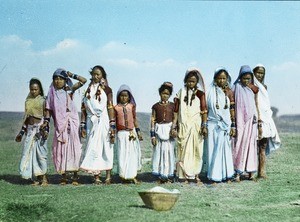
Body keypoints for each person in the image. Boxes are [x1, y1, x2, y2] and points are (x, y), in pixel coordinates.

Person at [42, 68, 87, 185]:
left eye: (61, 78)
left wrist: (71, 74)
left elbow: (84, 80)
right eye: (55, 79)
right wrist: (46, 122)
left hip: (72, 123)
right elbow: (48, 110)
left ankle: (75, 176)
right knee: (61, 150)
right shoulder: (51, 94)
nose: (58, 81)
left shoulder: (69, 90)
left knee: (74, 149)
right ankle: (64, 176)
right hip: (59, 126)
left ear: (65, 80)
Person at [80, 65, 115, 185]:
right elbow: (84, 109)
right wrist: (83, 125)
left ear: (102, 76)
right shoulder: (87, 90)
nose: (95, 76)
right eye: (93, 74)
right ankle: (96, 176)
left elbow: (110, 107)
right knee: (94, 148)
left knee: (106, 147)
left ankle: (108, 176)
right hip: (91, 122)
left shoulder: (107, 90)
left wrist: (112, 125)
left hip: (104, 121)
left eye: (98, 74)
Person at [172, 67, 208, 184]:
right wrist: (174, 125)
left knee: (196, 150)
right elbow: (176, 111)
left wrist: (204, 125)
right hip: (183, 126)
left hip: (195, 127)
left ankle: (194, 174)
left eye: (193, 81)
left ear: (197, 82)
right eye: (189, 81)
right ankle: (182, 175)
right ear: (185, 81)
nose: (191, 83)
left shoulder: (200, 94)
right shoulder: (180, 93)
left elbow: (204, 111)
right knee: (182, 151)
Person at [15, 78, 48, 186]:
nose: (33, 91)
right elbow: (27, 119)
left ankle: (43, 178)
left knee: (40, 154)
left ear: (39, 90)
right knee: (29, 154)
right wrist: (21, 133)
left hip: (40, 130)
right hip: (29, 130)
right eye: (31, 89)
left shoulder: (43, 100)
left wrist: (45, 129)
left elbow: (46, 117)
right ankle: (34, 177)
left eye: (35, 89)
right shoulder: (28, 101)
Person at [205, 67, 236, 184]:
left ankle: (226, 175)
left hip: (225, 125)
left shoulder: (229, 92)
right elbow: (206, 109)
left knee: (225, 151)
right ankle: (213, 176)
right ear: (215, 79)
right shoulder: (210, 92)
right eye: (219, 78)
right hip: (212, 124)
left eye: (224, 78)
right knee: (213, 150)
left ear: (227, 79)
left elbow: (232, 109)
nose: (222, 81)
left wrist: (233, 126)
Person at [253, 64, 281, 179]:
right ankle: (251, 172)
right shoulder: (251, 86)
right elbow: (255, 103)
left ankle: (262, 172)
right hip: (256, 118)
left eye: (262, 73)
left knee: (263, 146)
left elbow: (265, 103)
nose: (259, 75)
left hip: (266, 118)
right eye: (258, 72)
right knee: (253, 146)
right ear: (254, 73)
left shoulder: (264, 86)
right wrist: (258, 118)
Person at [232, 65, 259, 182]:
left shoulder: (252, 88)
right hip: (240, 121)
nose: (246, 81)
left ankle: (250, 172)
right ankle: (237, 172)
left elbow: (255, 102)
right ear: (240, 77)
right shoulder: (236, 87)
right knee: (239, 144)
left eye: (248, 79)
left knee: (250, 145)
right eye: (244, 78)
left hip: (251, 121)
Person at [114, 84, 142, 184]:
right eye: (122, 95)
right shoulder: (116, 108)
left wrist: (138, 131)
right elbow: (114, 121)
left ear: (129, 97)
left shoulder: (131, 106)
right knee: (122, 154)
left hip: (131, 133)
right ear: (118, 96)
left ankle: (132, 176)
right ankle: (123, 176)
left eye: (126, 95)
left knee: (132, 155)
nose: (124, 97)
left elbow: (134, 119)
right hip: (121, 134)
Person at [150, 82, 176, 183]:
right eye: (163, 93)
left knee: (169, 153)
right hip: (159, 131)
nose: (165, 95)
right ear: (160, 93)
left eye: (167, 94)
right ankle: (160, 175)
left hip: (169, 131)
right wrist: (152, 136)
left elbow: (175, 119)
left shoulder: (173, 106)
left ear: (170, 95)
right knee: (159, 153)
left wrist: (173, 129)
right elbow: (153, 120)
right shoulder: (155, 106)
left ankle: (168, 174)